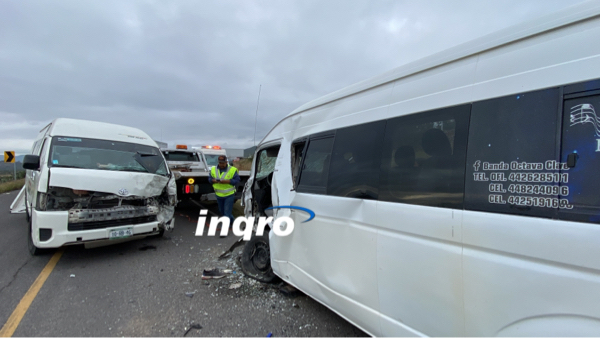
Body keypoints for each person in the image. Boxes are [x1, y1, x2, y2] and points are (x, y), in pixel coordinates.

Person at [208, 155, 240, 228]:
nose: (221, 164)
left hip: (229, 195)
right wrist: (213, 180)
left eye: (223, 163)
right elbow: (209, 179)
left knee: (226, 212)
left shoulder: (232, 170)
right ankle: (233, 222)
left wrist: (227, 181)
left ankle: (224, 229)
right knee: (222, 211)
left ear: (226, 162)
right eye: (220, 163)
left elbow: (237, 180)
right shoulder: (213, 169)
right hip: (219, 195)